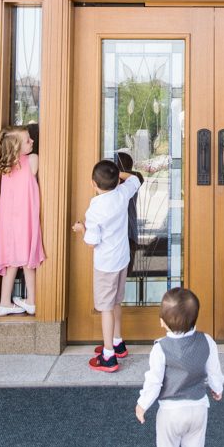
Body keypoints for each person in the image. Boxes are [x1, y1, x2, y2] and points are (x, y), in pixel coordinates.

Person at [136, 287, 224, 447]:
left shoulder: (161, 348)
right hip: (198, 407)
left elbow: (154, 381)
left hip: (171, 412)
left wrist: (142, 404)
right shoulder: (207, 341)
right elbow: (214, 370)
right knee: (195, 443)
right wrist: (217, 388)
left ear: (162, 321)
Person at [72, 159, 140, 372]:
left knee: (106, 308)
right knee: (116, 302)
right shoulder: (122, 195)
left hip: (106, 265)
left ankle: (109, 354)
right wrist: (120, 175)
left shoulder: (95, 209)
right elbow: (136, 179)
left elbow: (92, 242)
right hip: (122, 259)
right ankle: (118, 342)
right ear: (117, 179)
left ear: (93, 184)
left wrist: (81, 228)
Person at [0, 125, 45, 316]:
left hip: (8, 219)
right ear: (16, 147)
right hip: (25, 217)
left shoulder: (5, 167)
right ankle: (31, 300)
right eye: (27, 140)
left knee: (11, 260)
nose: (32, 141)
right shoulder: (32, 159)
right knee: (28, 259)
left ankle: (4, 302)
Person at [116, 149, 144, 275]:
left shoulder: (131, 182)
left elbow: (139, 176)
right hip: (129, 234)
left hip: (128, 234)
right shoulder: (127, 183)